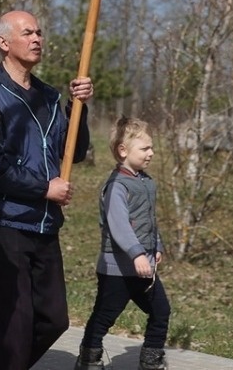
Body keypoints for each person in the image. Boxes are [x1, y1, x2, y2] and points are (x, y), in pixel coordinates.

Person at [0, 10, 94, 370]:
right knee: (15, 331)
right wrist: (44, 188)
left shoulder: (48, 97)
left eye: (39, 32)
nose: (37, 38)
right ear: (4, 42)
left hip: (43, 225)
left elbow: (75, 151)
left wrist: (78, 109)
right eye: (28, 32)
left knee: (54, 321)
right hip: (3, 225)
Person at [75, 117, 170, 370]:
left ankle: (151, 359)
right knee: (105, 316)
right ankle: (88, 358)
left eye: (151, 147)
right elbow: (119, 225)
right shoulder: (116, 185)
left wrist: (156, 245)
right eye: (145, 148)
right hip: (117, 267)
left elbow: (148, 219)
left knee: (161, 310)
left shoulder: (145, 181)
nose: (151, 153)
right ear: (123, 151)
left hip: (144, 267)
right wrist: (137, 253)